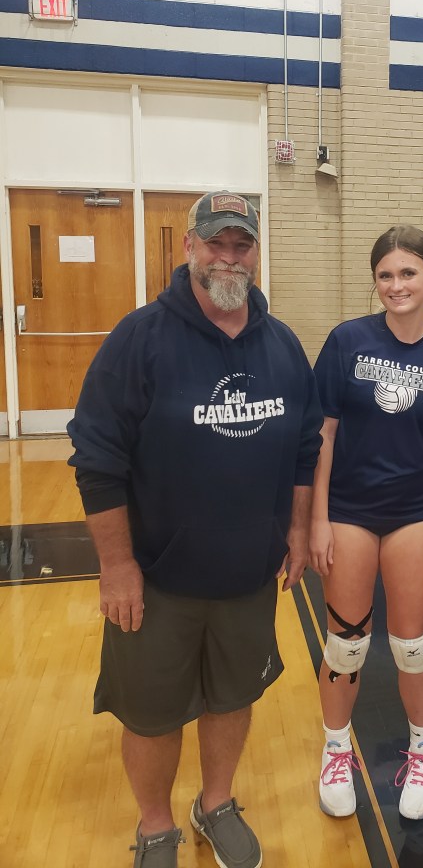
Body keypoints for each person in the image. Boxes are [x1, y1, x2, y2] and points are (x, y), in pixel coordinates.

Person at [67, 191, 323, 868]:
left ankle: (216, 803)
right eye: (216, 243)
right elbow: (97, 460)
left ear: (256, 253)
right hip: (157, 579)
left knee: (232, 697)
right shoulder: (140, 339)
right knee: (152, 713)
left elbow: (304, 449)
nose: (229, 257)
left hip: (248, 575)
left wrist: (298, 532)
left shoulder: (282, 344)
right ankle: (156, 826)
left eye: (242, 244)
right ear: (188, 247)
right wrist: (117, 566)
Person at [309, 225, 423, 821]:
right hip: (349, 511)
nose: (396, 284)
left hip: (414, 513)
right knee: (345, 644)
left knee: (412, 646)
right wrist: (318, 519)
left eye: (408, 273)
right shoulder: (348, 340)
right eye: (385, 274)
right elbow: (323, 433)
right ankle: (336, 749)